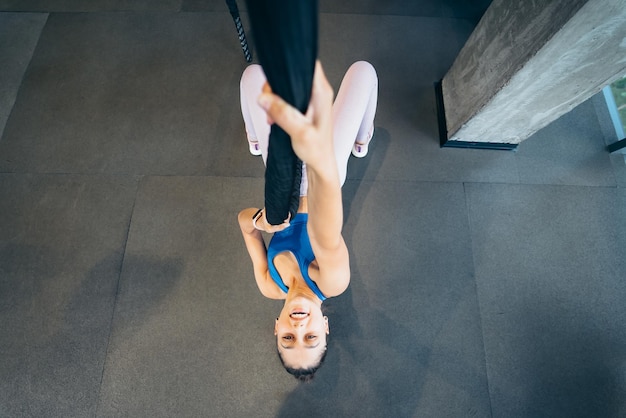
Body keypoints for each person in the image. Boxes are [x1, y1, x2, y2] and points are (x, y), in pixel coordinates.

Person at [237, 60, 378, 381]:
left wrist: (262, 222)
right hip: (322, 176)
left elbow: (244, 224)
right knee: (363, 72)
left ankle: (254, 137)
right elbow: (326, 229)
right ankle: (362, 137)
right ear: (326, 327)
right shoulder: (332, 282)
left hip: (282, 179)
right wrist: (314, 150)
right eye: (311, 338)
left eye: (288, 338)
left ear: (276, 328)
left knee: (251, 77)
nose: (298, 328)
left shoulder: (269, 286)